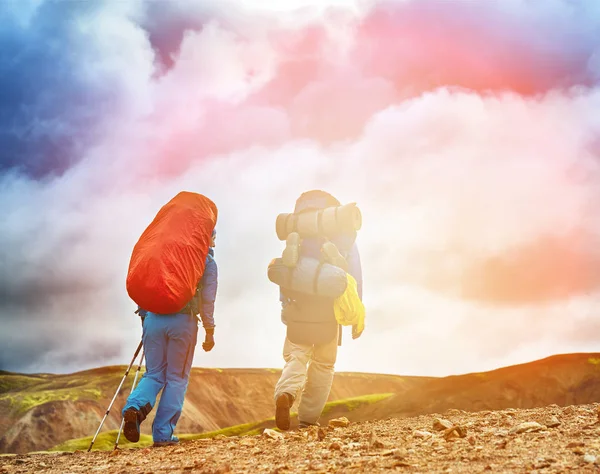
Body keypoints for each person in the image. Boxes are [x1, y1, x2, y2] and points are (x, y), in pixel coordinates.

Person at [274, 191, 363, 430]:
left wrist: (284, 303)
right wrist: (356, 315)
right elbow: (353, 277)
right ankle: (307, 421)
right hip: (330, 309)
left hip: (299, 306)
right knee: (323, 364)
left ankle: (286, 393)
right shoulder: (343, 237)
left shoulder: (297, 234)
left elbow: (288, 273)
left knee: (297, 356)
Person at [121, 229, 218, 447]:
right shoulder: (206, 262)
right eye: (213, 237)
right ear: (204, 237)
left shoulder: (163, 254)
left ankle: (133, 409)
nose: (214, 242)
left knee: (154, 374)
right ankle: (163, 434)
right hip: (182, 322)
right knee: (176, 378)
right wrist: (209, 330)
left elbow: (145, 285)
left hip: (153, 319)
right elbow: (207, 300)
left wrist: (145, 317)